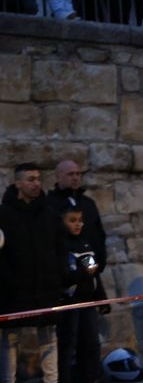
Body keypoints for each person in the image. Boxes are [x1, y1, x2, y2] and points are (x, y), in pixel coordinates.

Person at [0, 163, 65, 383]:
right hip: (13, 289)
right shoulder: (3, 215)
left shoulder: (50, 215)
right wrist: (7, 281)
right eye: (30, 179)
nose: (36, 183)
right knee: (10, 337)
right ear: (17, 183)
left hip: (46, 287)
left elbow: (59, 249)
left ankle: (52, 380)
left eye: (38, 178)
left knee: (49, 336)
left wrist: (58, 279)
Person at [56, 201, 108, 383]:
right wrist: (83, 273)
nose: (77, 224)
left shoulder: (85, 244)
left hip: (88, 303)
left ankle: (92, 379)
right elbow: (63, 277)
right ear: (62, 221)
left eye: (80, 220)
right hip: (69, 303)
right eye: (72, 220)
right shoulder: (61, 246)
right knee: (68, 347)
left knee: (92, 344)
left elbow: (94, 273)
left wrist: (101, 297)